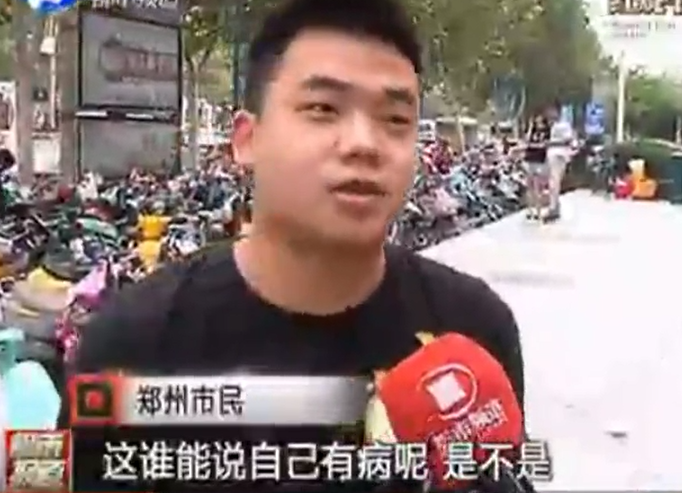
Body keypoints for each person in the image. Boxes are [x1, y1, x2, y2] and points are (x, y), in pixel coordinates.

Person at [62, 0, 527, 489]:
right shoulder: (133, 341)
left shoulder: (474, 329)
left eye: (395, 119)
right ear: (247, 139)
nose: (364, 144)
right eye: (323, 109)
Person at [545, 102, 575, 221]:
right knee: (553, 182)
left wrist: (551, 143)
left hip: (559, 155)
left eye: (552, 111)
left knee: (554, 181)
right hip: (553, 155)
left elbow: (568, 140)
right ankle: (555, 205)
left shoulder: (564, 125)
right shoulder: (553, 125)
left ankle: (553, 207)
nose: (550, 114)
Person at [523, 113, 551, 220]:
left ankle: (538, 211)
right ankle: (530, 210)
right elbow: (527, 141)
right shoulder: (532, 132)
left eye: (540, 121)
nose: (538, 123)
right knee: (529, 186)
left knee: (538, 187)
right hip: (529, 159)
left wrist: (532, 145)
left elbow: (544, 145)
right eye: (536, 121)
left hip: (539, 161)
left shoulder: (547, 132)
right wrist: (530, 128)